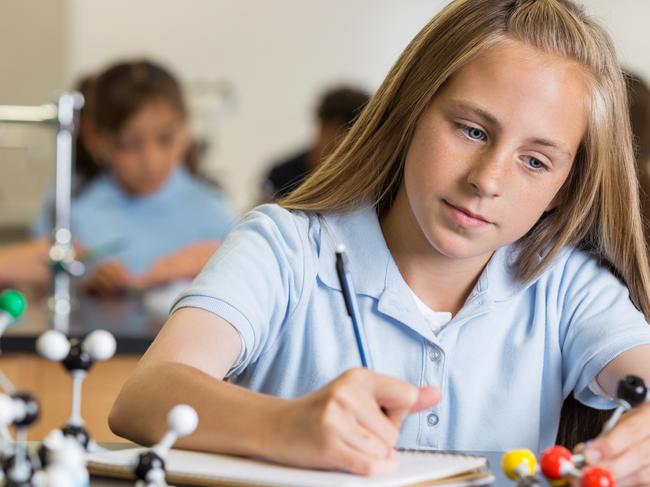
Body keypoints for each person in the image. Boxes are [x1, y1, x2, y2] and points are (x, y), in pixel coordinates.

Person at [110, 0, 650, 483]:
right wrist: (285, 426)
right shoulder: (286, 247)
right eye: (471, 130)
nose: (487, 180)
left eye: (536, 161)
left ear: (564, 188)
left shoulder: (568, 289)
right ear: (410, 111)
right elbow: (145, 395)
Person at [32, 60, 238, 295]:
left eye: (165, 139)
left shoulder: (215, 214)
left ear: (186, 129)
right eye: (130, 144)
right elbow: (38, 291)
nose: (151, 161)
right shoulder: (68, 210)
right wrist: (83, 288)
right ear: (94, 138)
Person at [261, 86, 370, 200]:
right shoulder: (280, 175)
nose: (341, 144)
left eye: (351, 144)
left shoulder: (364, 181)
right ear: (321, 126)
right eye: (332, 144)